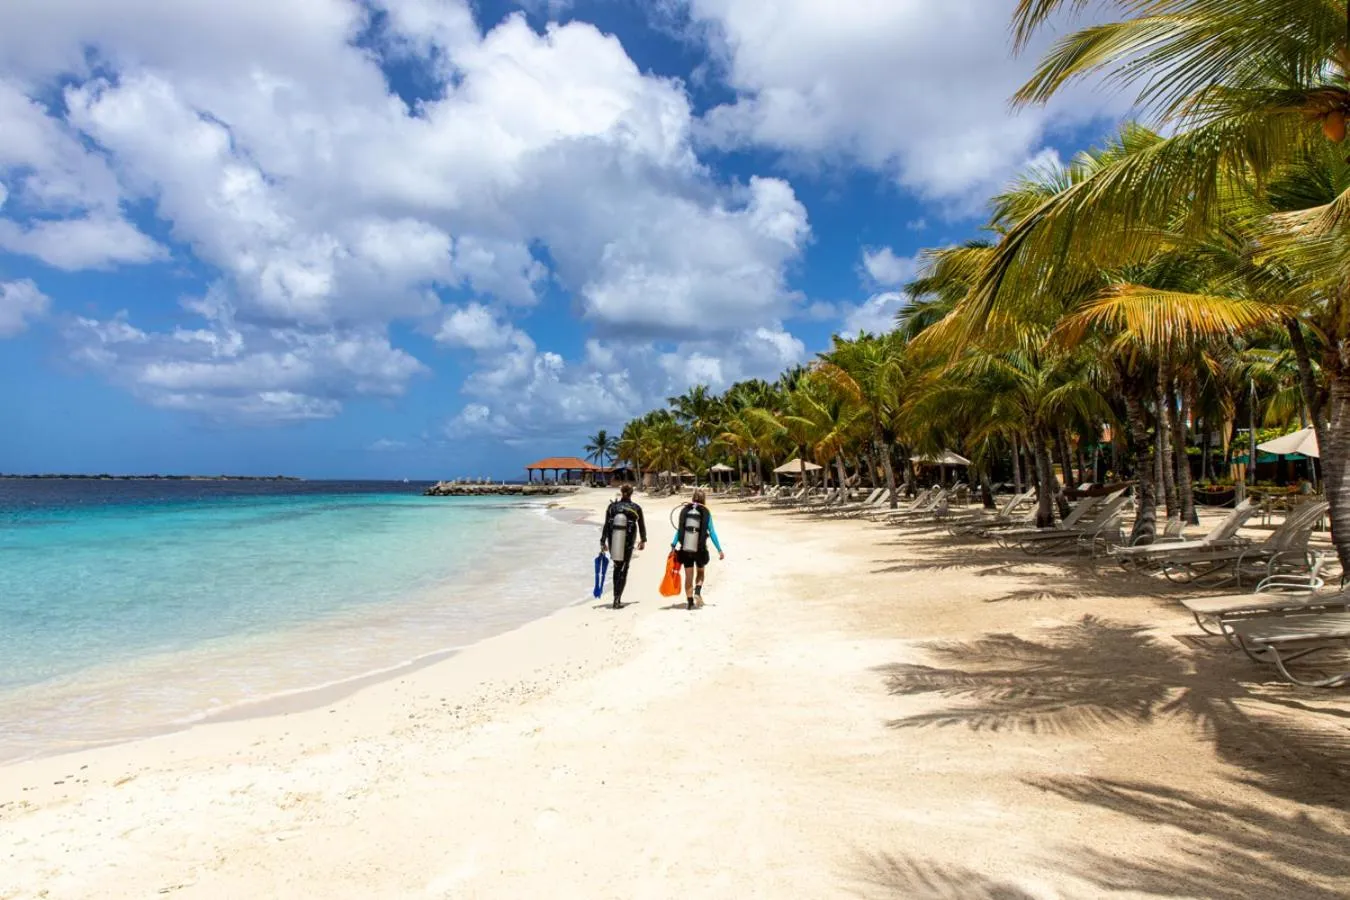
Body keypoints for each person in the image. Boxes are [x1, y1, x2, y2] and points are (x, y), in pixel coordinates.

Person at [670, 488, 724, 610]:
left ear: (693, 498)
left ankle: (690, 603)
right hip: (700, 549)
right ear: (704, 499)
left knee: (688, 576)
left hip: (686, 549)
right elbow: (712, 532)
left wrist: (673, 545)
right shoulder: (706, 512)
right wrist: (719, 549)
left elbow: (679, 530)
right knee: (700, 572)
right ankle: (697, 592)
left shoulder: (685, 510)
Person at [601, 484, 646, 609]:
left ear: (621, 492)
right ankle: (617, 599)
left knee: (617, 567)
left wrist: (602, 542)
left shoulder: (612, 507)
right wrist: (643, 540)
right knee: (624, 567)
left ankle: (615, 598)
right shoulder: (636, 507)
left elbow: (606, 525)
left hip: (613, 539)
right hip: (628, 540)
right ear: (631, 493)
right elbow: (641, 525)